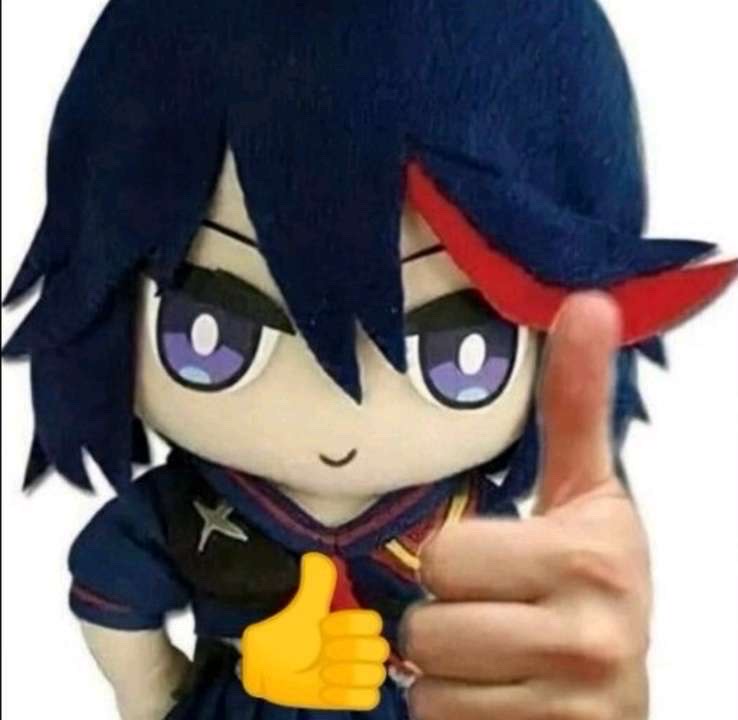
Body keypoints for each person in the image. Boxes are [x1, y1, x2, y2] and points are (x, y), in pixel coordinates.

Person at [4, 1, 736, 718]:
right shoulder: (188, 511)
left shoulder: (467, 524)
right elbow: (108, 597)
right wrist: (167, 694)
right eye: (214, 331)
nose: (341, 406)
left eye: (460, 351)